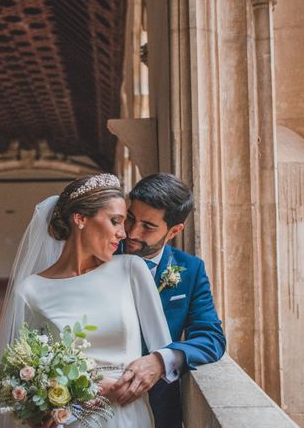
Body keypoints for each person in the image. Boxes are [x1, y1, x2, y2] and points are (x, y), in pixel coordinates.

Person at [0, 173, 172, 428]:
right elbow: (20, 378)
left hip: (128, 416)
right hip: (69, 421)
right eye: (115, 221)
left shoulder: (132, 270)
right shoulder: (30, 290)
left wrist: (136, 377)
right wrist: (89, 391)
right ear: (80, 219)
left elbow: (162, 352)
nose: (124, 234)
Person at [112, 173, 226, 428]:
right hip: (101, 404)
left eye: (148, 227)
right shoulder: (101, 255)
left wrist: (161, 361)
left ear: (174, 231)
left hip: (160, 411)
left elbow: (212, 338)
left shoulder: (191, 270)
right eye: (130, 218)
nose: (131, 232)